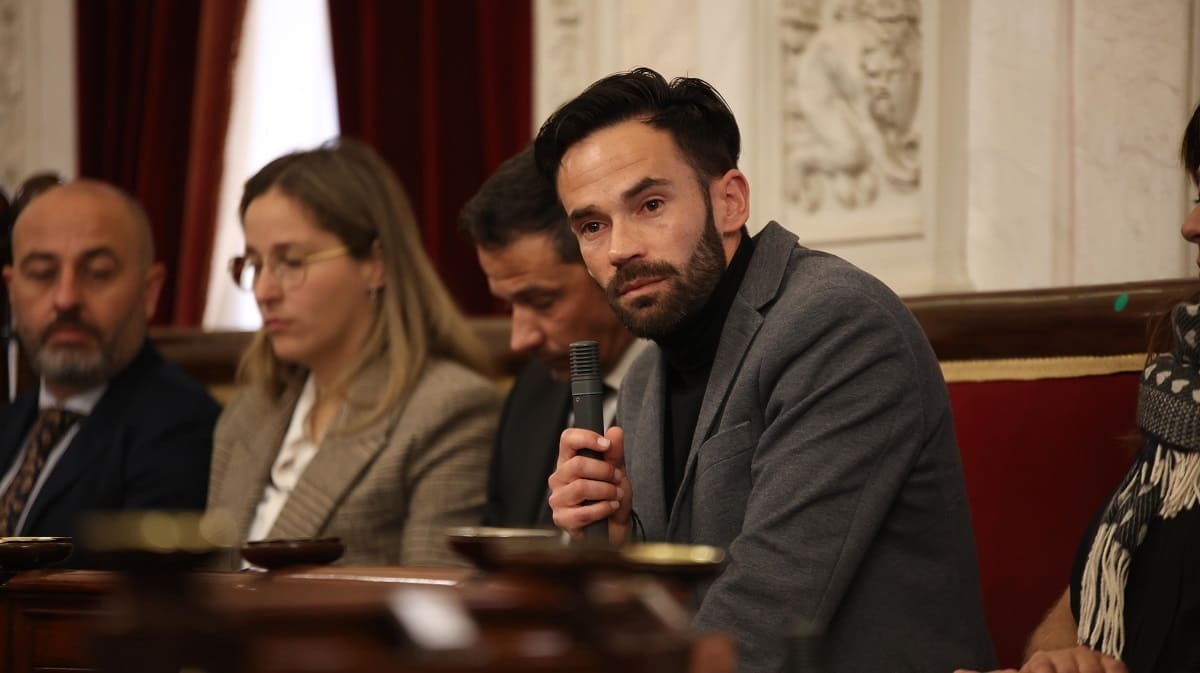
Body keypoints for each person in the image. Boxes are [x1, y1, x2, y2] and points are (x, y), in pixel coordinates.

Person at [537, 68, 996, 673]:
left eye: (649, 205)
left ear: (729, 201)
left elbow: (764, 611)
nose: (619, 247)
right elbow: (669, 612)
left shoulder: (838, 324)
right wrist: (617, 546)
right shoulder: (647, 375)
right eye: (592, 226)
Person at [958, 102, 1200, 673]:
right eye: (1196, 194)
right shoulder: (1180, 396)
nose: (1189, 225)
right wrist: (1054, 663)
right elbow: (1075, 608)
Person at [206, 139, 500, 567]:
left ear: (375, 263)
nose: (265, 292)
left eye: (291, 262)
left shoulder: (448, 410)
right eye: (253, 265)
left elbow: (434, 609)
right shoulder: (248, 413)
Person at [0, 179, 217, 548]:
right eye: (42, 273)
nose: (66, 299)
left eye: (98, 272)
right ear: (12, 291)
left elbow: (137, 597)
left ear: (150, 292)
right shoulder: (11, 421)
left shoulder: (181, 427)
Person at [459, 145, 645, 528]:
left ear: (604, 263)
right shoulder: (532, 391)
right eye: (511, 306)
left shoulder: (697, 387)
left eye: (541, 301)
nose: (520, 340)